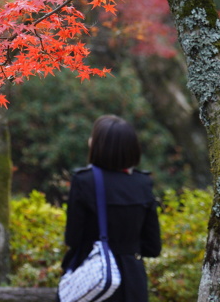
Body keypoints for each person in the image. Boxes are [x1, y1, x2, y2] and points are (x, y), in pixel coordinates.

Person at [61, 114, 162, 302]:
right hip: (133, 283)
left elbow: (73, 238)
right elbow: (153, 247)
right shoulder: (143, 183)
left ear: (98, 145)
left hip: (94, 281)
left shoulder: (84, 181)